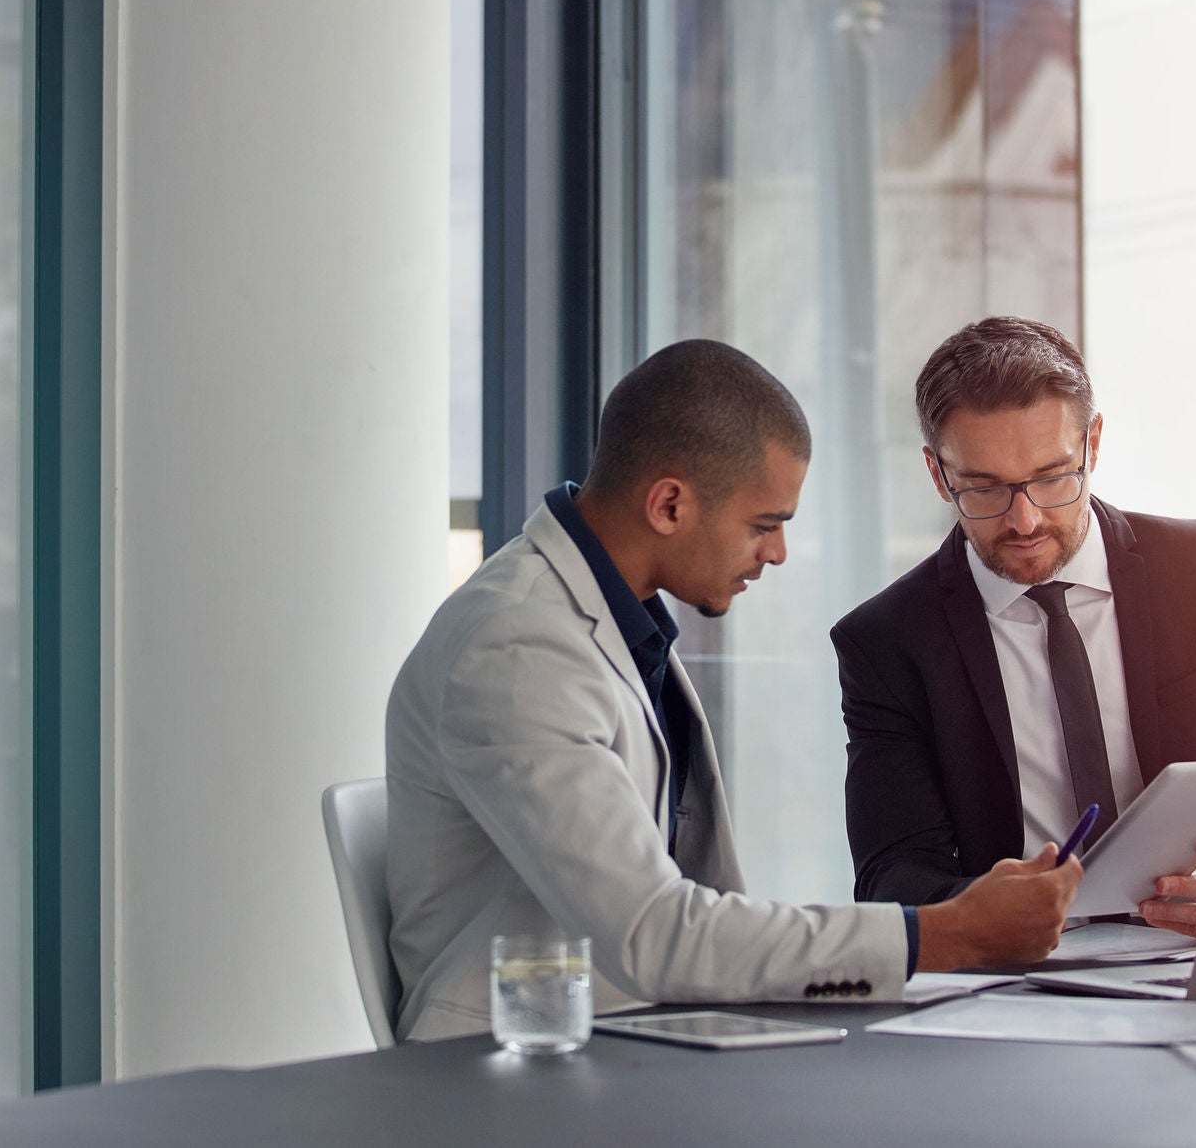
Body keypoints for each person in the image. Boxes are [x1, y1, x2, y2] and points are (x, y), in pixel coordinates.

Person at [387, 340, 1080, 1042]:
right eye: (764, 524)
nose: (776, 552)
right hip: (515, 1073)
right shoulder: (518, 646)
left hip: (636, 1040)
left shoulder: (614, 623)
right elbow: (654, 932)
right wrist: (944, 934)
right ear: (668, 503)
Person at [834, 317, 1196, 938]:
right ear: (939, 475)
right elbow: (891, 874)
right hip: (1020, 976)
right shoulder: (886, 642)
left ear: (1093, 444)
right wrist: (983, 911)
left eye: (1051, 476)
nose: (1025, 519)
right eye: (984, 488)